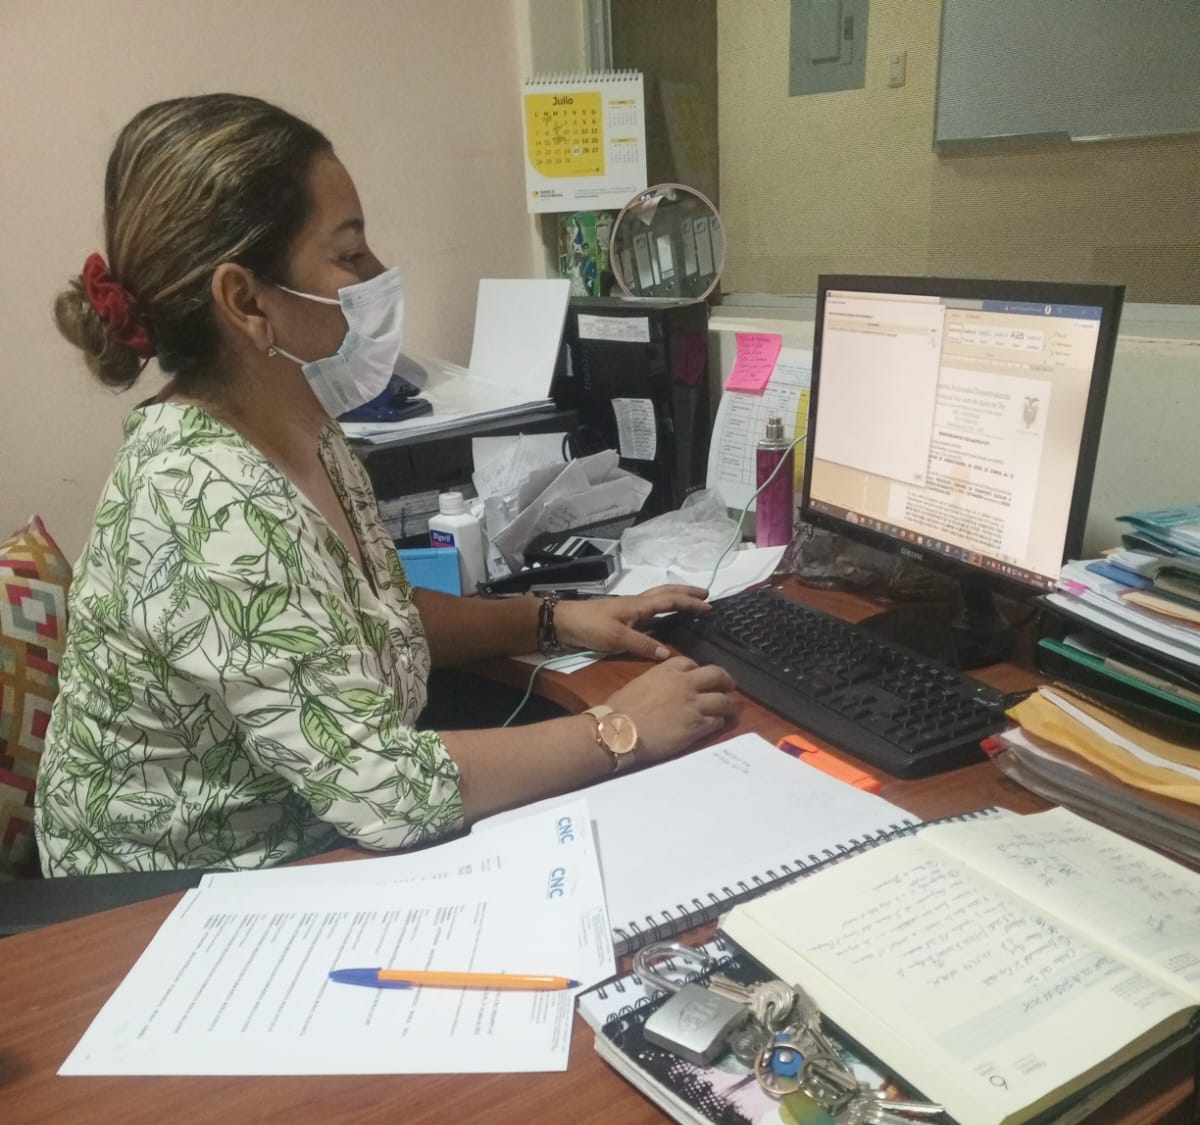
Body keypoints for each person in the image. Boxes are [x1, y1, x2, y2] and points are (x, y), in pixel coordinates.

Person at [38, 94, 736, 876]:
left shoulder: (299, 429)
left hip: (306, 829)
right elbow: (386, 795)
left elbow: (372, 620)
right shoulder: (206, 495)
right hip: (165, 899)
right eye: (349, 255)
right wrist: (617, 729)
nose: (378, 277)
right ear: (246, 301)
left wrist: (558, 618)